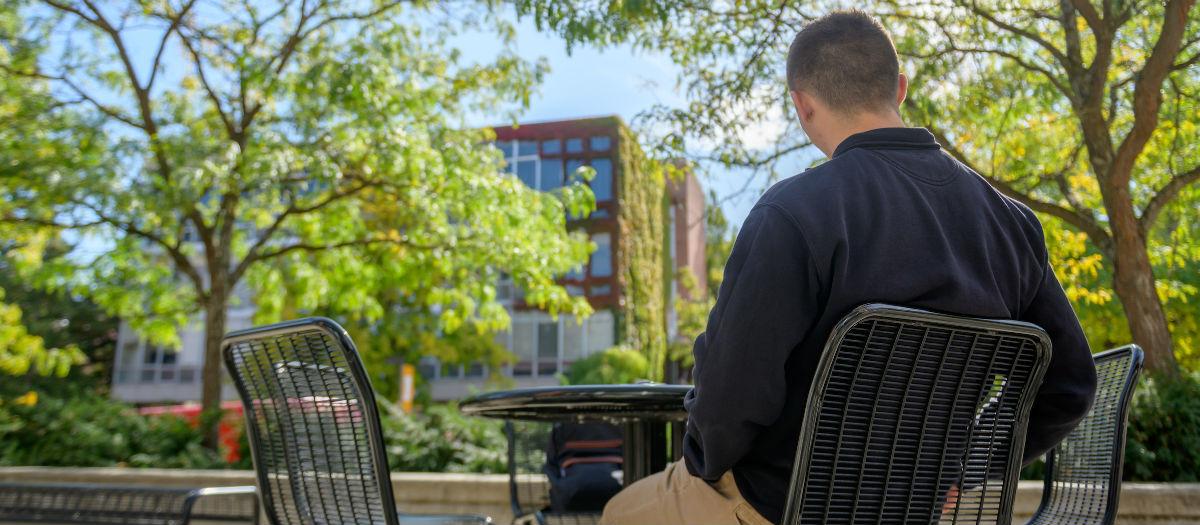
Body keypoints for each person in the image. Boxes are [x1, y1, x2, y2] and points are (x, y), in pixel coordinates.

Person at [600, 10, 1097, 525]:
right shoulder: (1011, 225)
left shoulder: (794, 213)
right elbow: (1071, 386)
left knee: (617, 512)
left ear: (802, 104)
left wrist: (704, 464)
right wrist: (962, 467)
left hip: (780, 505)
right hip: (914, 511)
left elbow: (732, 397)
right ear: (900, 88)